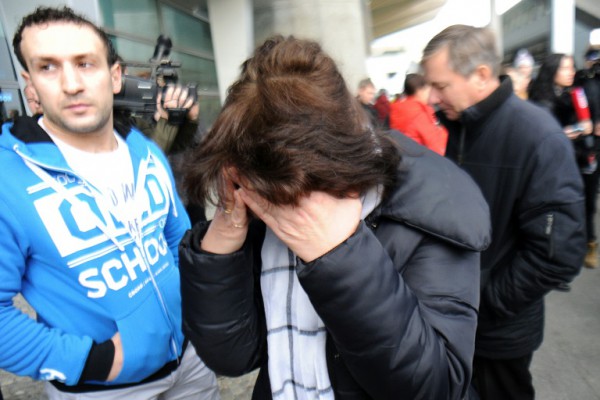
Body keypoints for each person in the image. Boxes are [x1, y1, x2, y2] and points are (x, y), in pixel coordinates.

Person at [179, 35, 491, 399]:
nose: (281, 205)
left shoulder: (432, 201)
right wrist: (223, 243)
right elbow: (233, 356)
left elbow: (437, 386)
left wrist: (340, 255)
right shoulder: (264, 184)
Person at [2, 6, 219, 399]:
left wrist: (193, 315)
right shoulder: (6, 177)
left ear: (114, 76)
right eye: (48, 67)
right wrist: (92, 362)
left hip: (190, 363)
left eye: (85, 63)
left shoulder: (145, 150)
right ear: (29, 83)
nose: (71, 84)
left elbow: (176, 239)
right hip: (103, 389)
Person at [421, 25, 586, 400]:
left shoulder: (537, 137)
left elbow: (558, 254)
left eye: (441, 86)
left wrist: (485, 301)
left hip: (496, 332)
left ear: (481, 75)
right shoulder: (462, 127)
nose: (432, 97)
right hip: (460, 320)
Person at [529, 53, 598, 269]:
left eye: (572, 67)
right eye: (565, 68)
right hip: (556, 165)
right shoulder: (542, 100)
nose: (571, 72)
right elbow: (548, 134)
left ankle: (587, 244)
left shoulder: (572, 93)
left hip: (579, 157)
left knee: (585, 204)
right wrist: (579, 128)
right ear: (552, 71)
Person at [389, 73, 448, 155]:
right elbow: (437, 147)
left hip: (405, 159)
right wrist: (443, 132)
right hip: (421, 159)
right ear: (421, 90)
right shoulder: (418, 112)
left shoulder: (398, 109)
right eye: (428, 90)